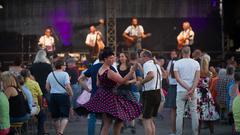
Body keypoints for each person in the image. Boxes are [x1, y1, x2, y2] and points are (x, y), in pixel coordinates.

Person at [76, 48, 141, 135]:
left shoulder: (100, 69)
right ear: (105, 59)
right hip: (109, 97)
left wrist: (107, 86)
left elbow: (98, 84)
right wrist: (132, 70)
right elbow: (122, 81)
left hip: (102, 96)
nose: (113, 59)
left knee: (108, 123)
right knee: (114, 120)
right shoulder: (109, 71)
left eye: (113, 57)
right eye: (111, 58)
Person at [77, 48, 117, 135]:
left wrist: (88, 90)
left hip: (94, 95)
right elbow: (118, 80)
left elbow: (80, 79)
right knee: (106, 119)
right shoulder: (110, 68)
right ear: (105, 58)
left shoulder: (93, 67)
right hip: (107, 96)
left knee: (92, 117)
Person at [173, 46, 200, 135]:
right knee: (194, 112)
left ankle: (178, 133)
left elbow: (178, 79)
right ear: (190, 52)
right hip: (192, 91)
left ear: (182, 52)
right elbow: (197, 78)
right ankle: (195, 133)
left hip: (181, 90)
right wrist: (191, 89)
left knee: (179, 113)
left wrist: (187, 88)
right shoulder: (196, 63)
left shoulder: (177, 63)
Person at [136, 49, 162, 135]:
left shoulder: (147, 64)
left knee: (146, 119)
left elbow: (151, 75)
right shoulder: (156, 65)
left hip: (149, 94)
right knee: (150, 120)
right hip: (157, 92)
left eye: (141, 57)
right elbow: (153, 76)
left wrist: (140, 82)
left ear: (145, 57)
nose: (140, 59)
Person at [46, 59, 73, 135]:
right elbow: (67, 86)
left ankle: (58, 132)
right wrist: (71, 93)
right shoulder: (65, 74)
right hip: (63, 96)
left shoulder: (50, 74)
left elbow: (47, 87)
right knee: (65, 116)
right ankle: (60, 132)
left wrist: (53, 91)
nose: (65, 66)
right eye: (64, 65)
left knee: (55, 117)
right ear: (61, 66)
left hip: (53, 96)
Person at [21, 69, 48, 135]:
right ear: (29, 75)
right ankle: (40, 132)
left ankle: (23, 131)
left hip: (22, 109)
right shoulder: (34, 83)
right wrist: (40, 106)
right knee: (42, 116)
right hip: (34, 108)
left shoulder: (19, 84)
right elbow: (40, 96)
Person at [197, 57, 219, 135]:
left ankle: (197, 133)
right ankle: (212, 132)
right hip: (207, 94)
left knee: (198, 116)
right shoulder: (210, 73)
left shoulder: (197, 72)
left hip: (198, 94)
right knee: (210, 114)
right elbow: (211, 84)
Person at [164, 50, 178, 135]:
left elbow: (166, 75)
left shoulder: (171, 62)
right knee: (180, 110)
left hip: (173, 87)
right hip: (181, 86)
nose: (172, 55)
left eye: (173, 54)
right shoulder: (180, 62)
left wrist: (169, 82)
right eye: (171, 54)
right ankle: (178, 131)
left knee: (173, 110)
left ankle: (174, 132)